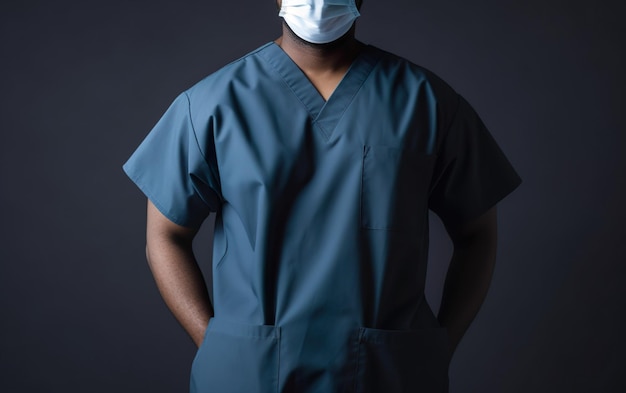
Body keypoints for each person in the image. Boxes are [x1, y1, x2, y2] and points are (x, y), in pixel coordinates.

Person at [123, 0, 521, 392]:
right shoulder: (211, 105)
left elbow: (478, 234)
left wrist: (436, 349)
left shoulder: (428, 103)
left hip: (390, 376)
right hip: (247, 377)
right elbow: (165, 235)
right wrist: (214, 344)